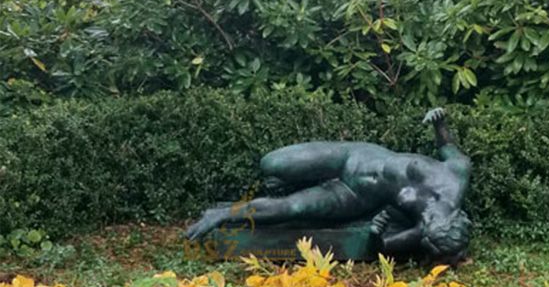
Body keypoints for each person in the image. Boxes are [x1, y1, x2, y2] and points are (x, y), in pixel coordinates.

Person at [186, 108, 472, 263]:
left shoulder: (426, 231)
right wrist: (439, 123)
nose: (422, 221)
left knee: (294, 208)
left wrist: (375, 233)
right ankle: (294, 179)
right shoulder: (456, 174)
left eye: (424, 227)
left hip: (353, 197)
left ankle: (223, 213)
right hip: (355, 156)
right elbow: (447, 147)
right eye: (429, 221)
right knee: (271, 164)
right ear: (452, 217)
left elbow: (383, 246)